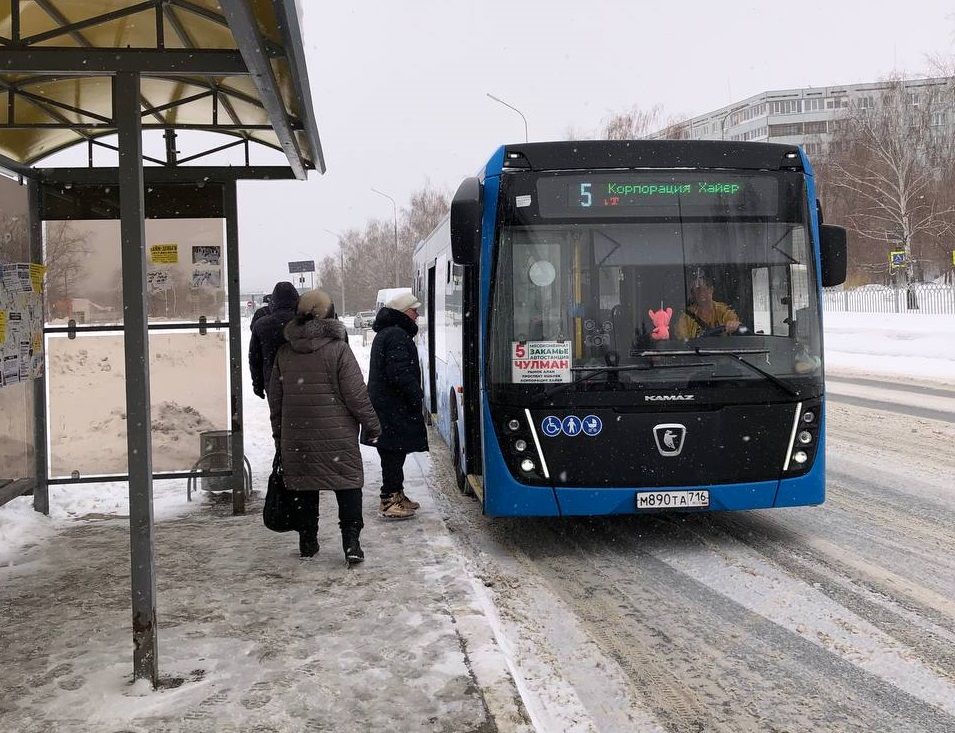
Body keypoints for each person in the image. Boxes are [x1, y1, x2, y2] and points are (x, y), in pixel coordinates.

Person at [268, 289, 381, 562]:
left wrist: (279, 434)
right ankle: (351, 542)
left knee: (305, 487)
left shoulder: (284, 353)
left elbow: (276, 400)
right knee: (348, 485)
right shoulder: (339, 350)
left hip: (298, 436)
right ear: (329, 315)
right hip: (337, 435)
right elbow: (356, 394)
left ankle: (308, 540)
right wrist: (372, 425)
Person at [368, 291, 428, 520]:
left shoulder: (391, 333)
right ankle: (389, 499)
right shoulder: (396, 335)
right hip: (392, 407)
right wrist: (416, 394)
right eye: (414, 310)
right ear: (404, 312)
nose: (417, 314)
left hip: (388, 405)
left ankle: (397, 493)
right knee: (393, 452)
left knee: (395, 451)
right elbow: (399, 373)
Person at [249, 283, 299, 399]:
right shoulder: (304, 322)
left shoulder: (261, 325)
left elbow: (255, 359)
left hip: (272, 379)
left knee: (277, 415)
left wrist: (257, 384)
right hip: (302, 379)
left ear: (273, 301)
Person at [674, 270, 741, 340]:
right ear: (693, 294)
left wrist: (733, 325)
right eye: (697, 290)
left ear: (711, 290)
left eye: (705, 289)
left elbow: (735, 324)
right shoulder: (686, 318)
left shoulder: (723, 311)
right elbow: (682, 341)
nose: (701, 293)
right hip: (696, 350)